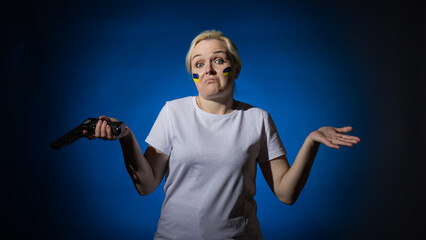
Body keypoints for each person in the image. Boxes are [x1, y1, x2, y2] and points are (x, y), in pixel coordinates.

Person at [84, 30, 360, 239]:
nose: (209, 70)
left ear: (235, 68)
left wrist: (311, 142)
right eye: (200, 63)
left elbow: (286, 194)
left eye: (218, 60)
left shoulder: (258, 119)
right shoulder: (172, 112)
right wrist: (126, 138)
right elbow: (145, 186)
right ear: (192, 72)